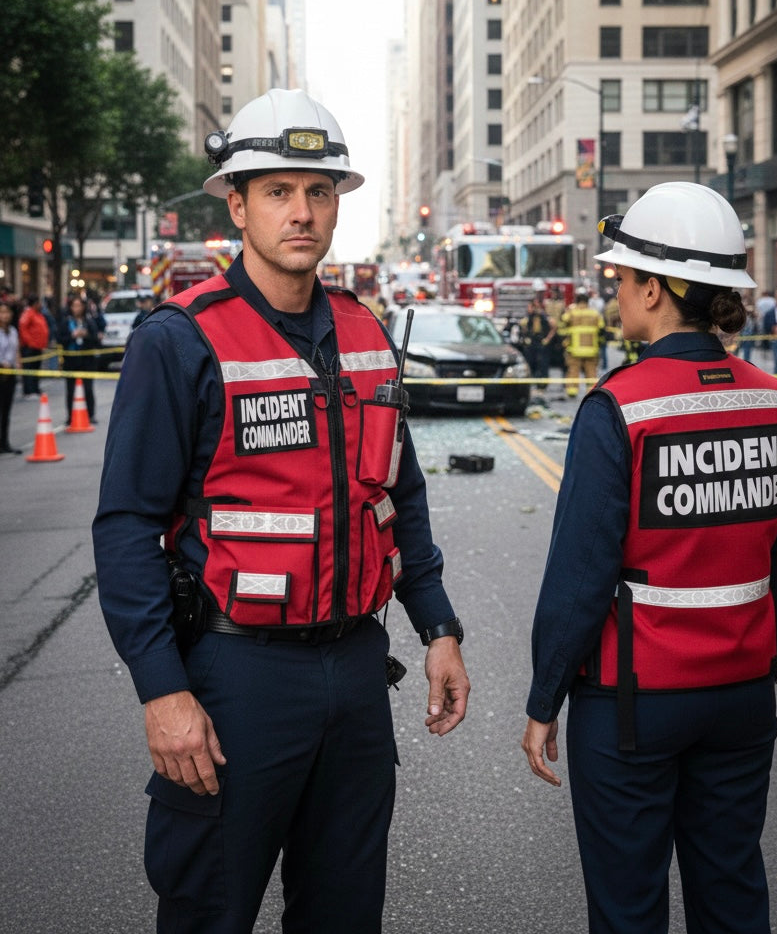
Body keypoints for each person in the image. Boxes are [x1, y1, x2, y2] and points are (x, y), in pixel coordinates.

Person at [92, 88, 470, 934]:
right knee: (208, 912)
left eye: (320, 191)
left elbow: (397, 498)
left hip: (355, 672)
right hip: (235, 679)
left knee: (344, 914)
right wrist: (163, 692)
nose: (302, 212)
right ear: (237, 202)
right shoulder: (179, 339)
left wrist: (437, 626)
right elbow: (125, 529)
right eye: (277, 191)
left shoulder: (367, 333)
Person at [522, 182, 777, 934]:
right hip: (742, 693)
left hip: (632, 704)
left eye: (620, 280)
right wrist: (759, 663)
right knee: (733, 894)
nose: (616, 293)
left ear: (654, 287)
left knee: (629, 906)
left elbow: (580, 579)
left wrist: (544, 698)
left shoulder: (620, 406)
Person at [58, 294, 101, 425]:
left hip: (86, 361)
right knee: (70, 390)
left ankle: (90, 414)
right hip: (71, 360)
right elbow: (60, 339)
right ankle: (70, 416)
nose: (77, 309)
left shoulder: (89, 322)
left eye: (79, 306)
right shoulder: (66, 322)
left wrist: (86, 335)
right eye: (74, 306)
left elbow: (96, 340)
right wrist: (72, 335)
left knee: (88, 388)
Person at [557, 290, 604, 397]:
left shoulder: (571, 312)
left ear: (577, 301)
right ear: (588, 301)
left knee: (573, 370)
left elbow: (562, 324)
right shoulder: (595, 313)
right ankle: (591, 392)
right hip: (591, 349)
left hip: (574, 349)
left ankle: (572, 392)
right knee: (591, 372)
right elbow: (602, 328)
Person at [519, 295, 556, 390]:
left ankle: (542, 384)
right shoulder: (528, 318)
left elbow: (553, 327)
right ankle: (531, 383)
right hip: (532, 342)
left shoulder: (544, 317)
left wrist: (547, 339)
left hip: (542, 341)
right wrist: (526, 338)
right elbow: (523, 327)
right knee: (530, 362)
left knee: (543, 363)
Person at [0, 301, 23, 454]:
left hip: (10, 376)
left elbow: (16, 351)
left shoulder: (13, 331)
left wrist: (18, 363)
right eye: (2, 313)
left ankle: (4, 442)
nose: (5, 316)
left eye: (7, 312)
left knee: (6, 411)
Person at [17, 294, 50, 398]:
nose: (41, 305)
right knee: (29, 369)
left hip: (37, 347)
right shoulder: (28, 313)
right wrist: (30, 342)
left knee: (36, 369)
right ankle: (29, 390)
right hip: (29, 347)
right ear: (35, 304)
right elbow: (23, 328)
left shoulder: (38, 314)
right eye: (39, 303)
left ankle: (35, 388)